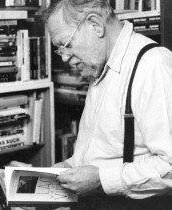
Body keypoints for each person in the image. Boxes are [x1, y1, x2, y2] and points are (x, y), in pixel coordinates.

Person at [43, 0, 172, 209]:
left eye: (66, 45)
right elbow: (105, 148)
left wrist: (101, 179)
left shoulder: (153, 66)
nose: (65, 58)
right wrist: (71, 166)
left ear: (95, 25)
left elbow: (170, 166)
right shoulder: (100, 63)